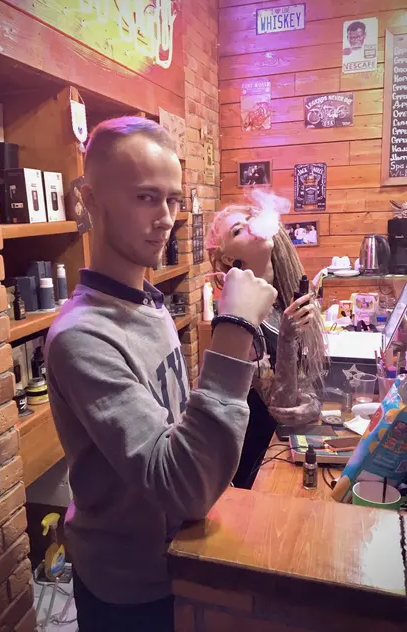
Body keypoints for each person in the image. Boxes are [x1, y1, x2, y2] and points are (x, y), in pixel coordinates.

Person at [45, 117, 277, 632]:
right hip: (129, 589)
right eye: (146, 198)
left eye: (172, 199)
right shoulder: (81, 336)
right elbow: (182, 486)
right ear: (90, 199)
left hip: (182, 558)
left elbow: (183, 430)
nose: (167, 218)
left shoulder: (150, 304)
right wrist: (234, 328)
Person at [206, 205, 325, 488]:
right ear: (228, 258)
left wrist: (312, 402)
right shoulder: (238, 315)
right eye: (238, 230)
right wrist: (286, 338)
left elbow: (302, 381)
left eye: (251, 220)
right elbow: (280, 407)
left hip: (284, 448)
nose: (251, 227)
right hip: (256, 465)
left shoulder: (283, 299)